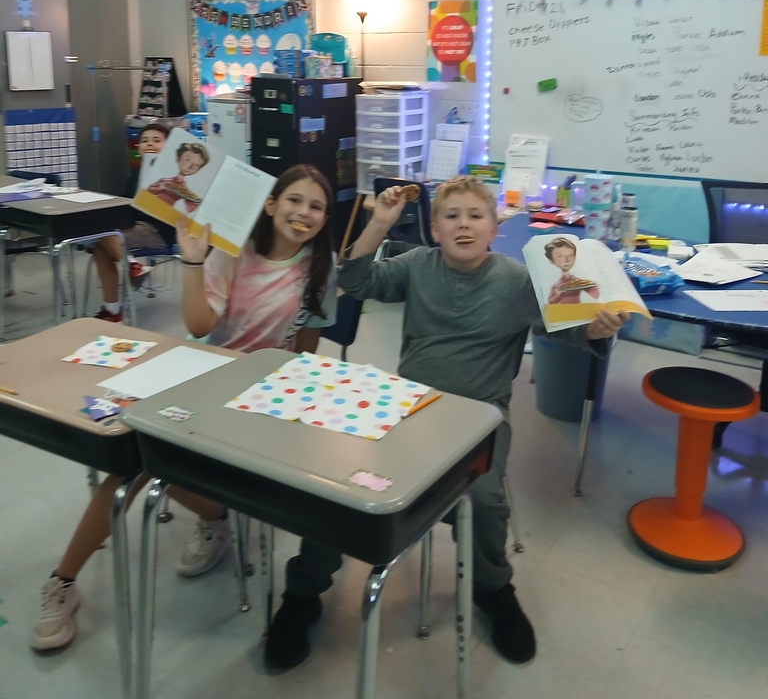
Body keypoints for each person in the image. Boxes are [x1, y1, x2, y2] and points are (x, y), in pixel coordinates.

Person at [265, 175, 628, 670]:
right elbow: (354, 280)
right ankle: (304, 592)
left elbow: (569, 333)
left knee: (483, 498)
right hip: (408, 408)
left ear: (494, 229)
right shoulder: (416, 266)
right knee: (342, 485)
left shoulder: (519, 281)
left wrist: (595, 327)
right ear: (434, 229)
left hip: (481, 418)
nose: (463, 224)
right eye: (451, 216)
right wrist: (381, 223)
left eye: (475, 216)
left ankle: (493, 589)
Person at [31, 164, 337, 653]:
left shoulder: (320, 263)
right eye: (295, 200)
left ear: (325, 218)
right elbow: (198, 327)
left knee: (149, 468)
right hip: (203, 376)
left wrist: (293, 398)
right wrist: (195, 262)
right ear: (272, 204)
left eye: (316, 206)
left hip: (260, 398)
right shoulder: (233, 252)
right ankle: (63, 583)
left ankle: (214, 516)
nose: (304, 213)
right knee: (124, 456)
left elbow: (308, 343)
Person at [93, 121, 176, 323]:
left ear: (169, 145)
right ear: (137, 147)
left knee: (101, 233)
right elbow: (127, 200)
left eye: (157, 140)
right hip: (135, 225)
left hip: (158, 229)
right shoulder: (137, 171)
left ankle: (131, 267)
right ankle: (114, 310)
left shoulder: (174, 173)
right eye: (144, 140)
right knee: (99, 246)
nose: (150, 144)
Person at [147, 140, 210, 215]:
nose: (190, 167)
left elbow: (190, 208)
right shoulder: (164, 181)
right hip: (149, 208)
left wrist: (197, 203)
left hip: (167, 214)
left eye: (196, 165)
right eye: (187, 160)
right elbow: (149, 190)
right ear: (178, 158)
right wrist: (161, 186)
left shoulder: (184, 189)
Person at [545, 236, 601, 304]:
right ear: (552, 260)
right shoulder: (556, 286)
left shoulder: (578, 282)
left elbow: (596, 296)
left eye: (570, 255)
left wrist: (593, 287)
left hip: (578, 310)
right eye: (560, 256)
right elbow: (551, 302)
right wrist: (557, 294)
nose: (566, 260)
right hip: (563, 311)